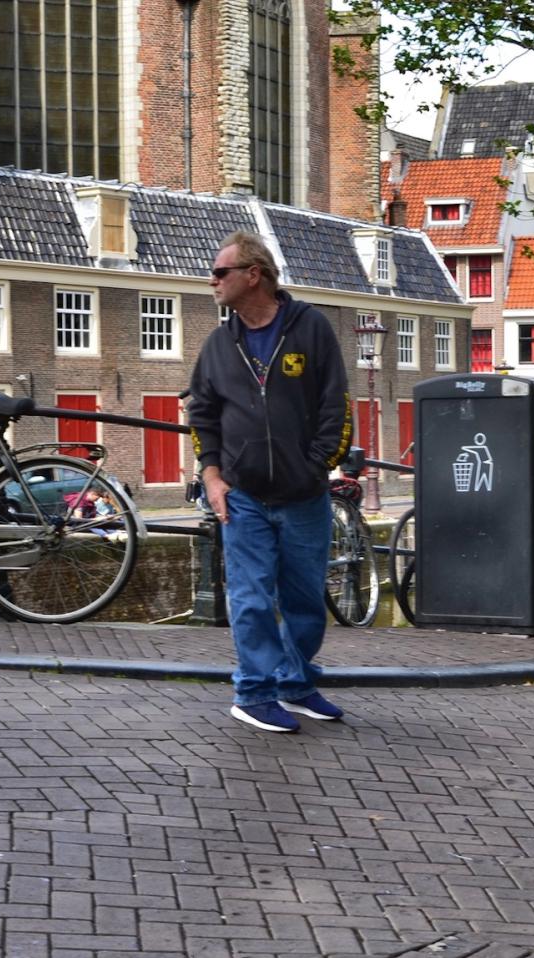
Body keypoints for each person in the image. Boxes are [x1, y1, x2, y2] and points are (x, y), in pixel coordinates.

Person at [186, 231, 354, 733]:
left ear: (253, 275)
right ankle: (254, 693)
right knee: (252, 598)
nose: (212, 281)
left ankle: (295, 684)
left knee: (305, 602)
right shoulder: (219, 345)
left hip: (304, 496)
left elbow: (336, 404)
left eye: (221, 273)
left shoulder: (310, 329)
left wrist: (316, 464)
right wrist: (212, 477)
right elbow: (202, 415)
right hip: (244, 497)